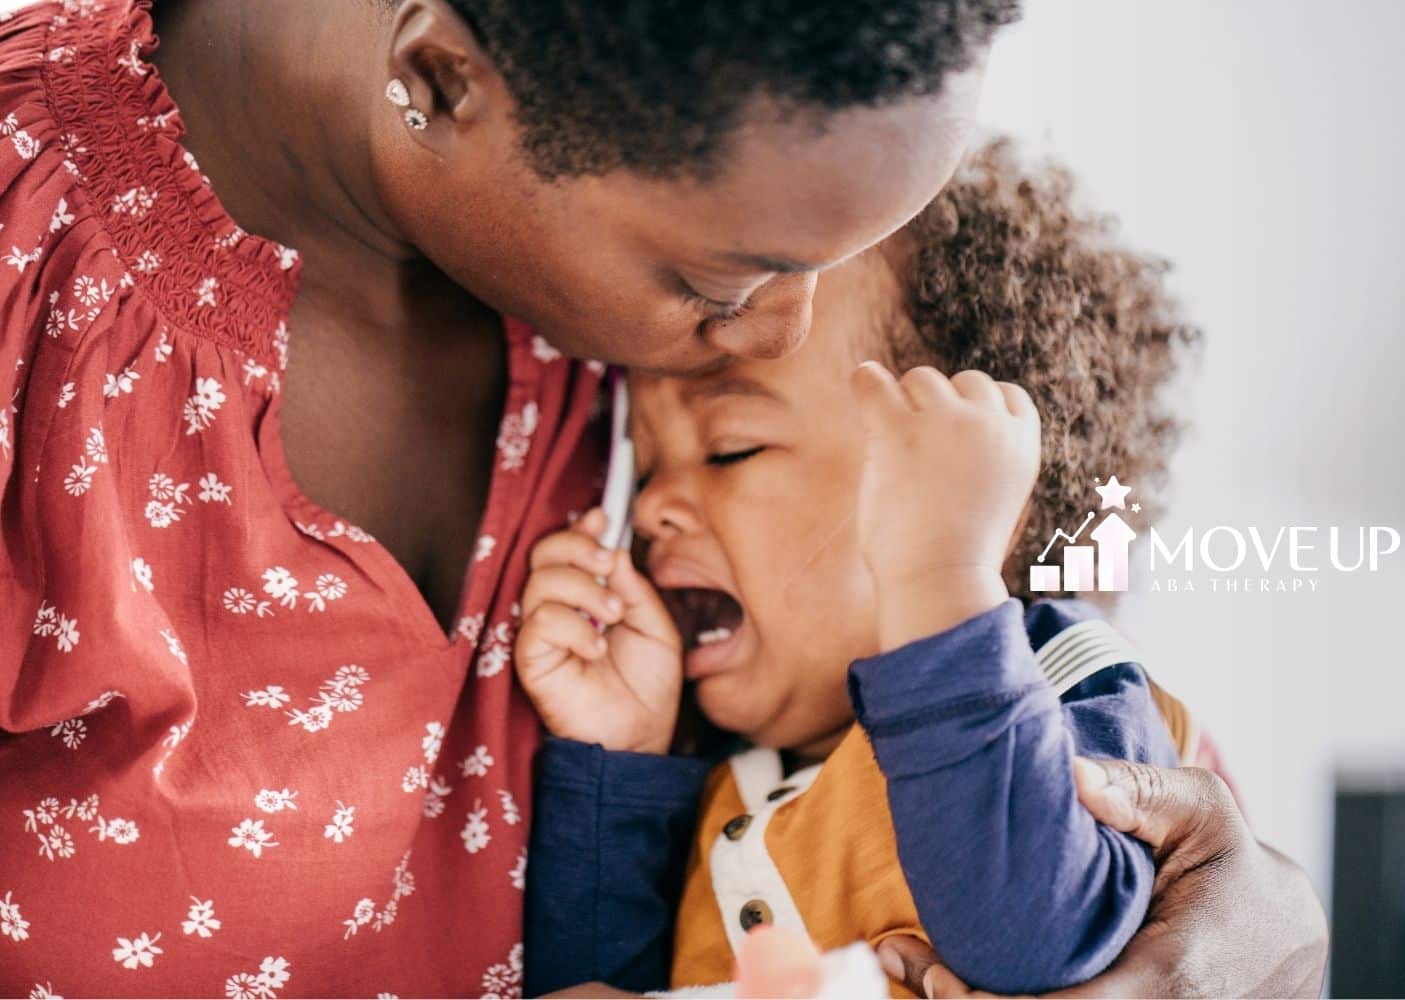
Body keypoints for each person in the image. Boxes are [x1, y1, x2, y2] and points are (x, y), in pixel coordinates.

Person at [0, 0, 1326, 996]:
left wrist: (1261, 916)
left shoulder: (645, 272)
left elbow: (1054, 699)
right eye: (719, 282)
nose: (772, 332)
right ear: (437, 79)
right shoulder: (31, 292)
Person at [517, 139, 1201, 996]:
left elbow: (1034, 935)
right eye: (646, 467)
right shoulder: (731, 780)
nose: (652, 508)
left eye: (730, 449)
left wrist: (941, 580)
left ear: (978, 493)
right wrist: (620, 764)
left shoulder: (1070, 679)